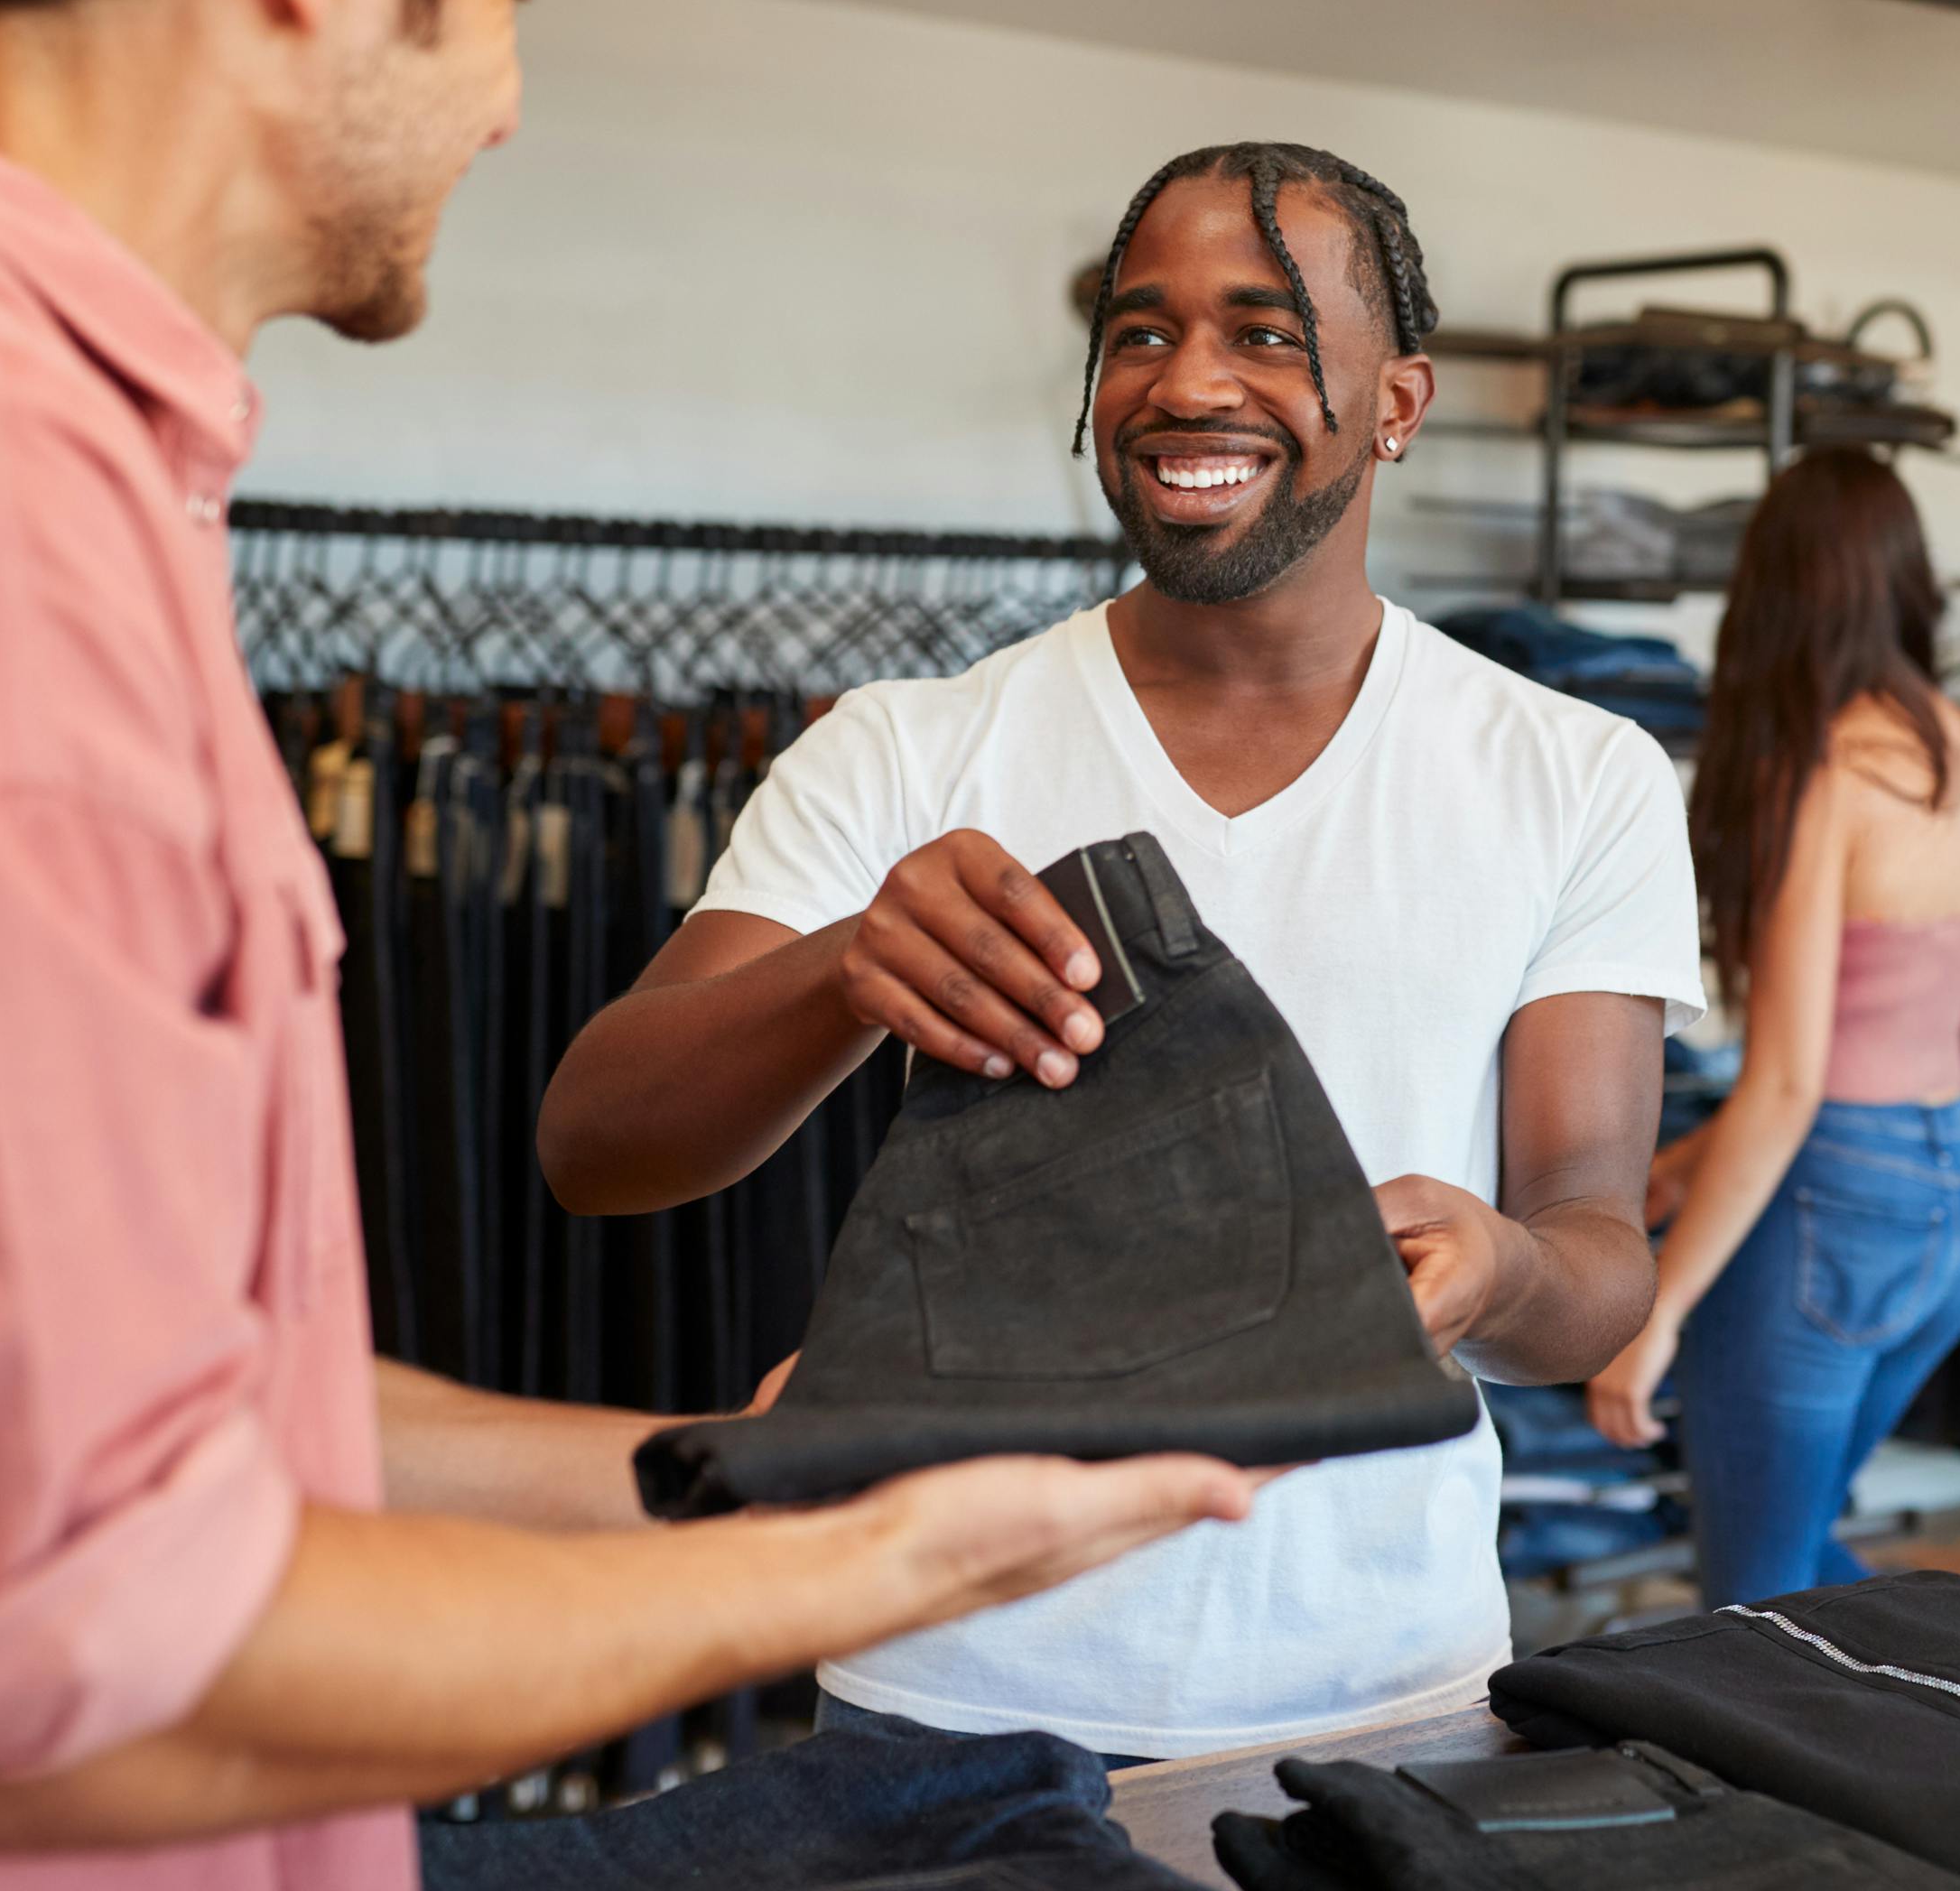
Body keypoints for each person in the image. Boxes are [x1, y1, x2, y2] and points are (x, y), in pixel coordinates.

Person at [0, 0, 1253, 1883]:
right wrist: (887, 1569)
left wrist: (737, 1457)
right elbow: (70, 1679)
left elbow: (191, 1409)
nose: (509, 95)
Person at [540, 141, 1705, 1763]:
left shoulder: (1572, 773)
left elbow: (1595, 1247)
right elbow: (597, 1143)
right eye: (1141, 332)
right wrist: (847, 969)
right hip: (942, 1699)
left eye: (1268, 332)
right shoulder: (912, 751)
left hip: (1387, 1699)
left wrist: (1504, 1267)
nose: (1187, 382)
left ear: (1400, 401)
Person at [1584, 450, 1960, 1606]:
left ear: (1773, 590)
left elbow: (1790, 1087)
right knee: (1803, 1552)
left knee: (1756, 1603)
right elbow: (1900, 1019)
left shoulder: (1823, 774)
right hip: (1956, 1203)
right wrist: (1688, 1162)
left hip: (1832, 1206)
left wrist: (1657, 1312)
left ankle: (1934, 1730)